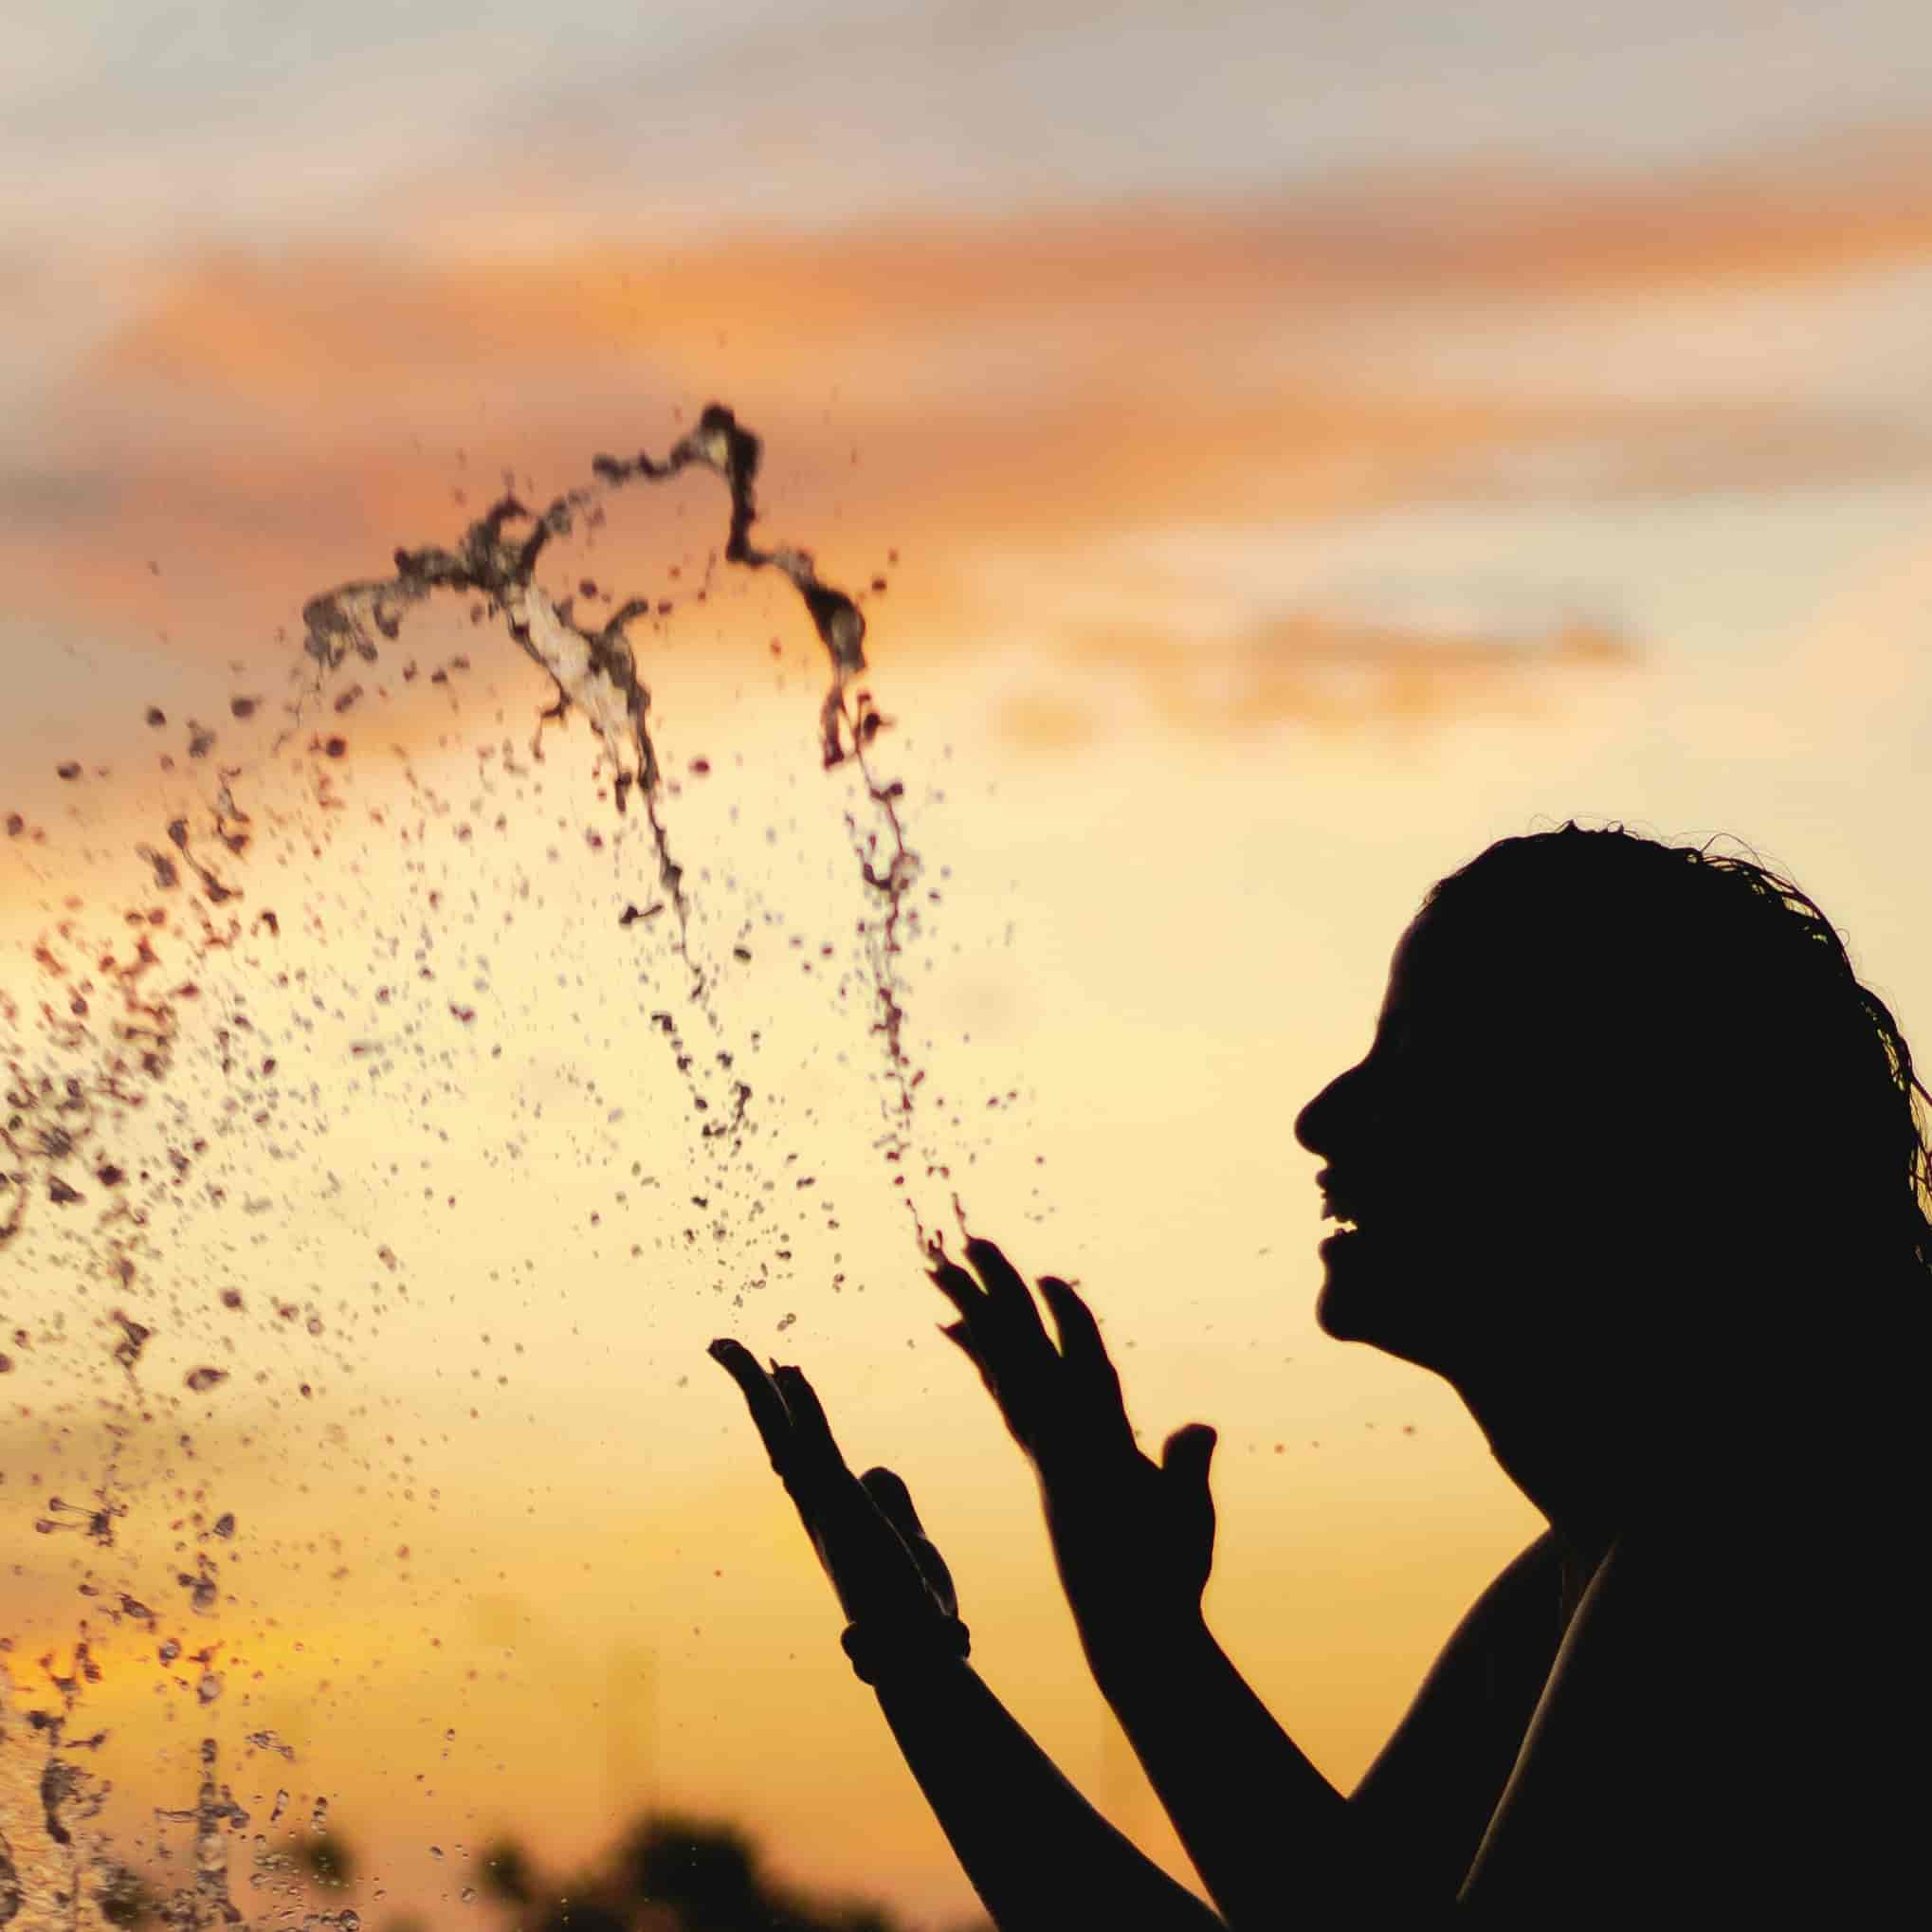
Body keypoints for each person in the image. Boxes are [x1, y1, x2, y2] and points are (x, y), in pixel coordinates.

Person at [711, 822, 1929, 1926]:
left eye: (1416, 1062)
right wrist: (934, 1658)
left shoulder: (1758, 1537)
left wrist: (1130, 1636)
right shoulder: (1575, 1580)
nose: (1320, 1116)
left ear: (1611, 1130)